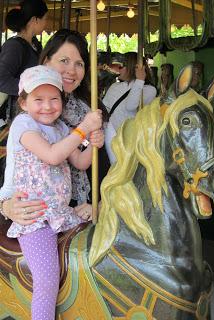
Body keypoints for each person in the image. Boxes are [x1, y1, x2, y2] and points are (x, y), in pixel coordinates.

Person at [5, 65, 102, 320]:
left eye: (54, 99)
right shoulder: (23, 126)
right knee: (47, 280)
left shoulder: (60, 128)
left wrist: (92, 142)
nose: (47, 106)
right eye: (38, 99)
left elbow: (80, 162)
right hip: (35, 217)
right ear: (24, 103)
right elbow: (52, 155)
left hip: (59, 212)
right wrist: (83, 129)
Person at [0, 29, 107, 224]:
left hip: (75, 212)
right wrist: (6, 204)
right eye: (64, 61)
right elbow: (42, 159)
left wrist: (94, 141)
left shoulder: (92, 114)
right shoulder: (27, 121)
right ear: (46, 62)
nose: (71, 70)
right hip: (36, 213)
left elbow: (96, 164)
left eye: (79, 64)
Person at [0, 0, 48, 185]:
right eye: (45, 19)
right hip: (15, 115)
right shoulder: (15, 46)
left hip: (28, 113)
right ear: (34, 20)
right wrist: (29, 92)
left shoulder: (33, 45)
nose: (46, 23)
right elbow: (2, 78)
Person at [102, 52, 157, 163]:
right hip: (110, 133)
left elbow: (131, 106)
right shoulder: (115, 86)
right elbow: (105, 108)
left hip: (130, 138)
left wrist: (140, 80)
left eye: (121, 67)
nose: (118, 70)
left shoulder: (149, 89)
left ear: (133, 68)